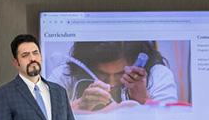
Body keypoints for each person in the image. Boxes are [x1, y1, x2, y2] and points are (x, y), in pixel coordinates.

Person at [47, 40, 178, 112]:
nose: (112, 84)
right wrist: (79, 106)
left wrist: (144, 99)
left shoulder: (158, 75)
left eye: (121, 73)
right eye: (102, 74)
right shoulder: (65, 75)